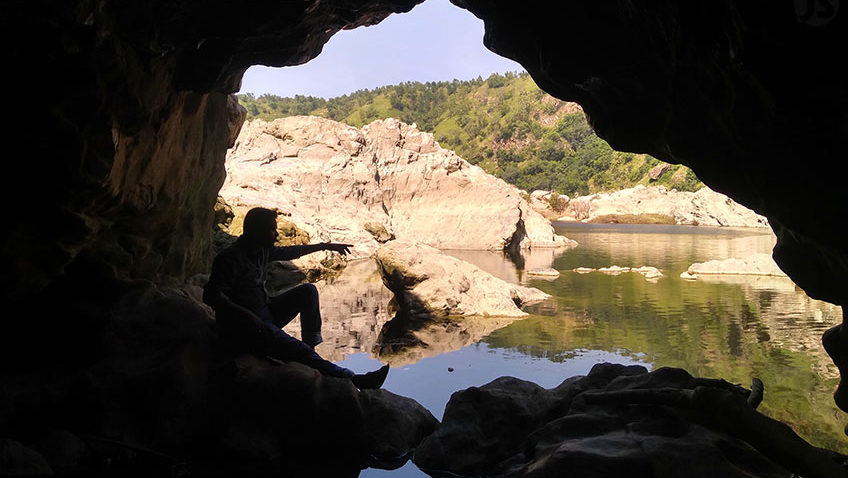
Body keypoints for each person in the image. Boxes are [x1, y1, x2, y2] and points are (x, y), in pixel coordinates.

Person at [203, 206, 389, 389]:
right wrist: (247, 316)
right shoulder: (230, 259)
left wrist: (325, 246)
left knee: (308, 291)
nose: (276, 234)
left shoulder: (260, 251)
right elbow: (211, 296)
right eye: (272, 229)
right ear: (257, 231)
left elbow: (292, 252)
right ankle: (354, 379)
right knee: (296, 350)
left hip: (265, 315)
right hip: (247, 328)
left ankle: (311, 347)